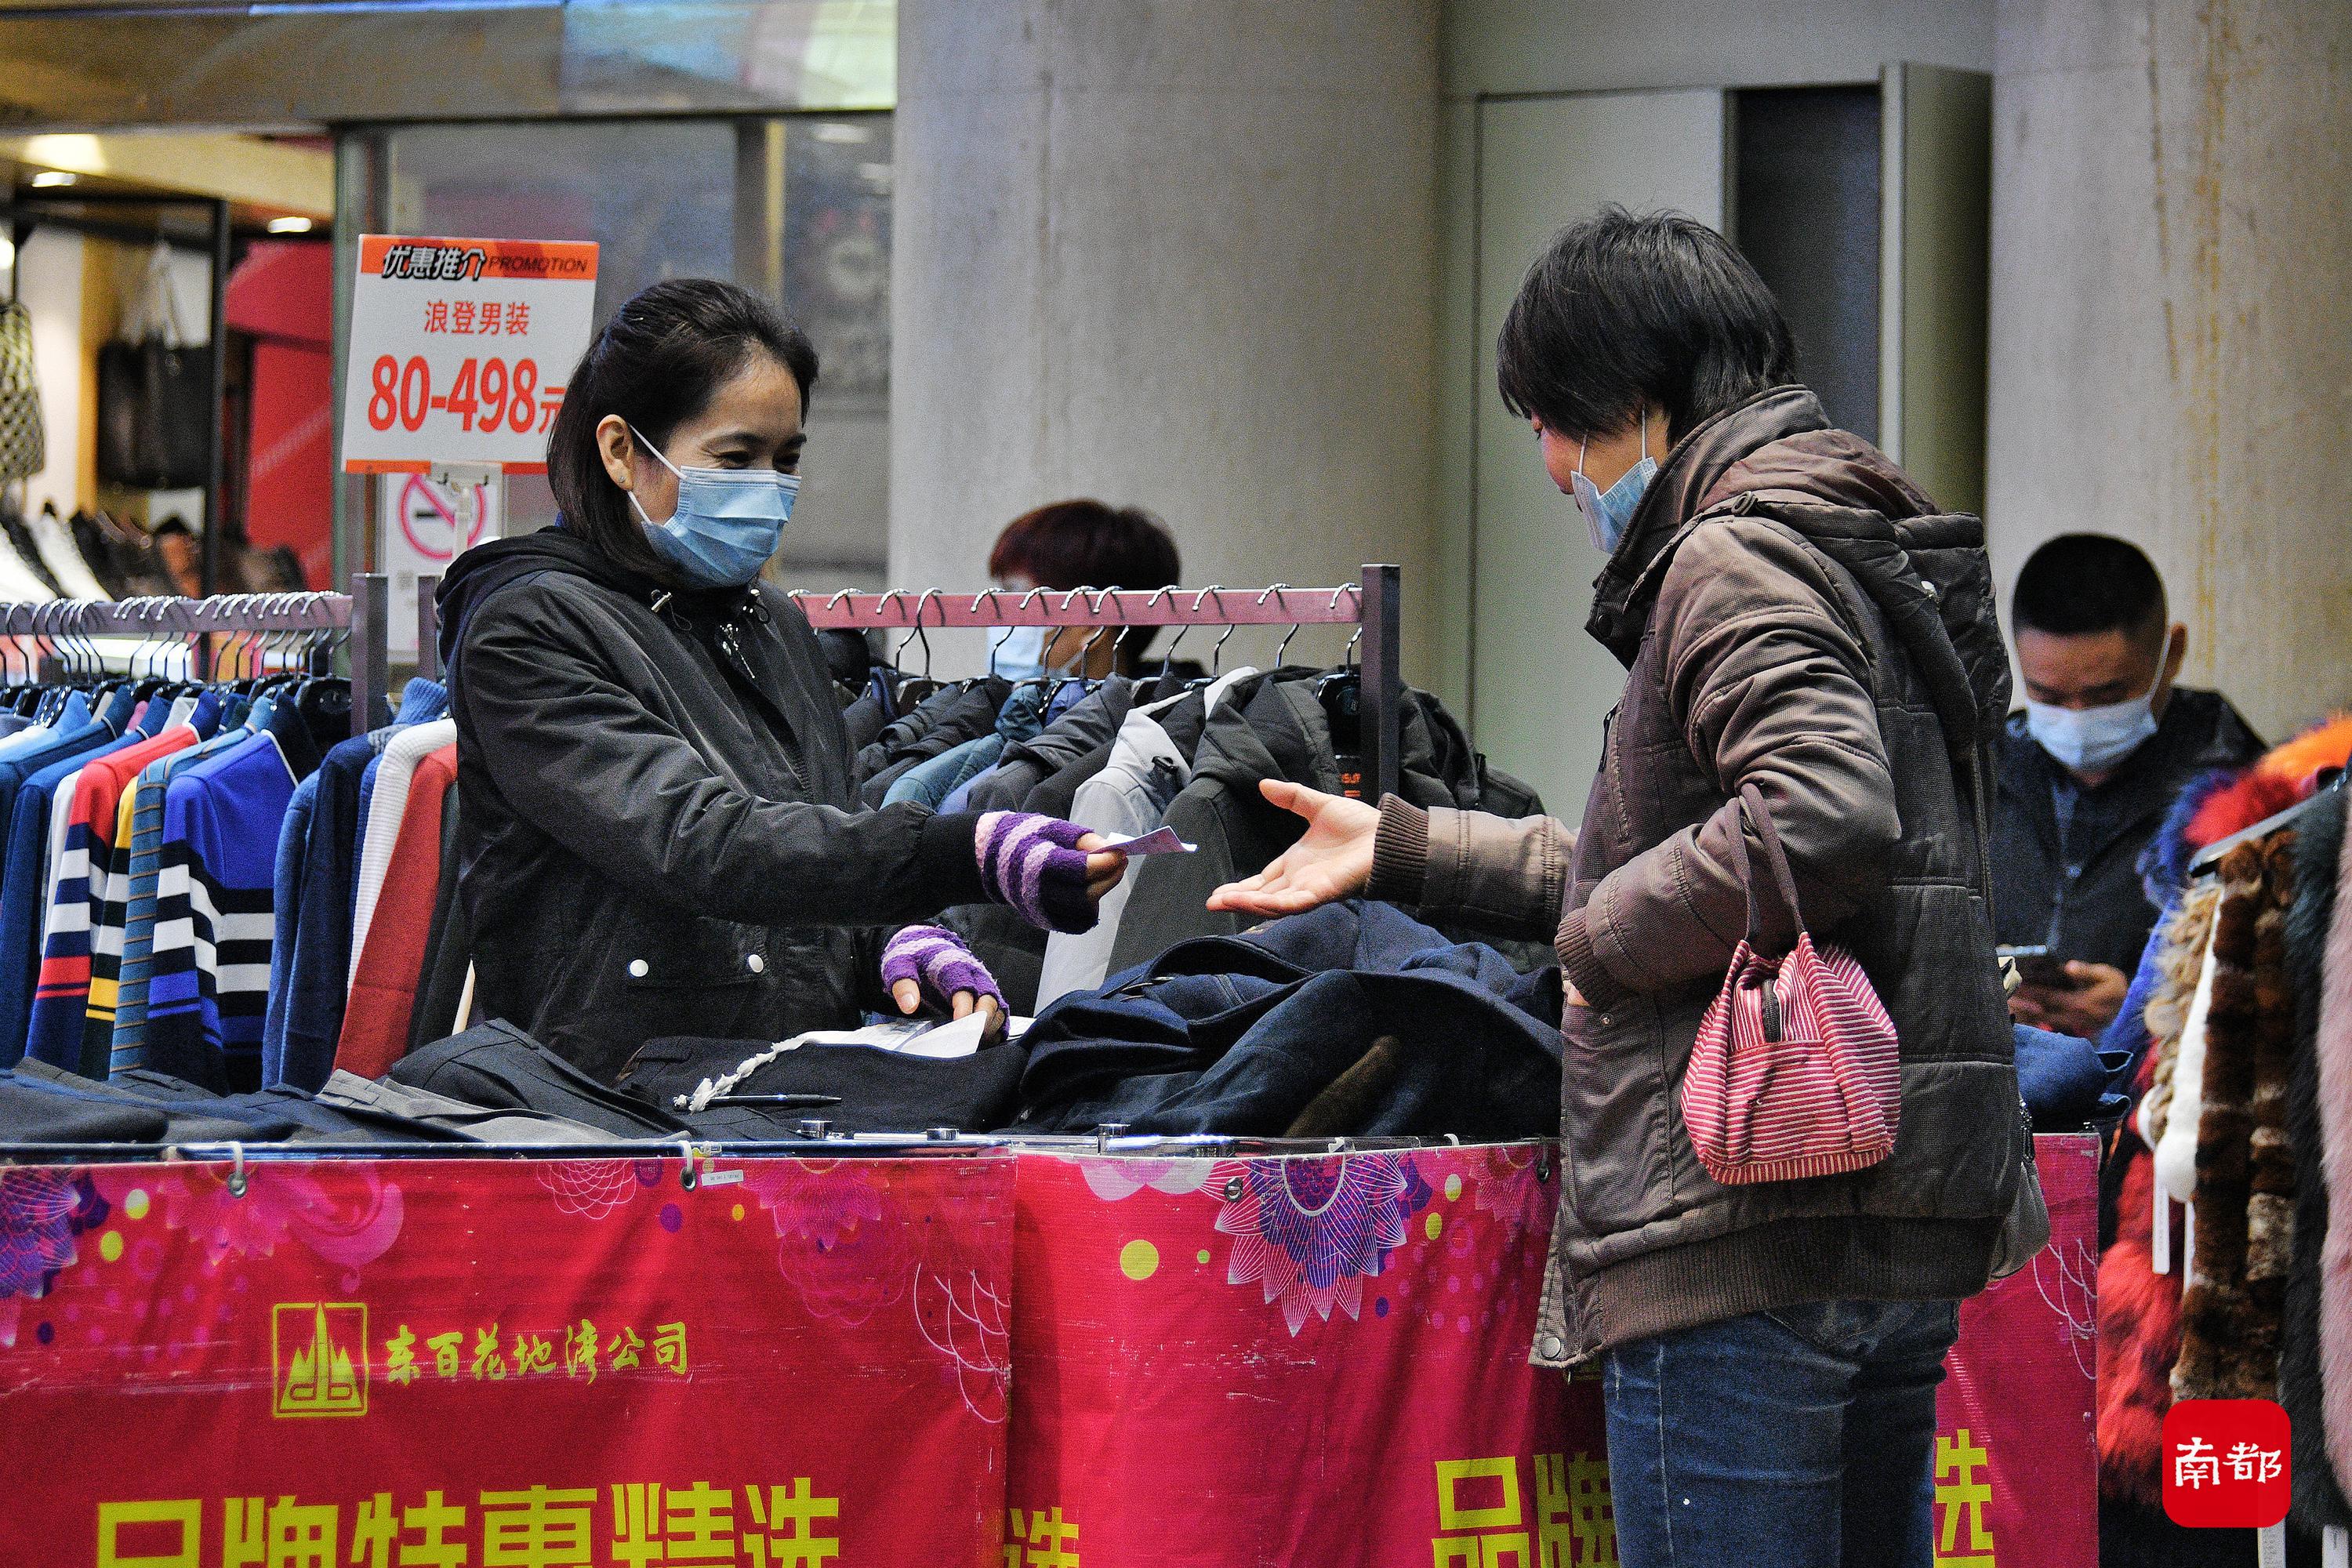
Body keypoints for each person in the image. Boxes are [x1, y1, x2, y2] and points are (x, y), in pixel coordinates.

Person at [1208, 208, 2040, 1568]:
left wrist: (1595, 943)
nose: (1548, 467)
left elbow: (1819, 821)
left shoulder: (1733, 557)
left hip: (1746, 1220)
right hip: (1890, 1204)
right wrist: (1411, 850)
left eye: (1550, 424)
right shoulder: (1852, 536)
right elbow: (1716, 847)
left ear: (1636, 406)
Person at [437, 279, 1124, 1080]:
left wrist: (895, 941)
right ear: (621, 449)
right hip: (609, 1111)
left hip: (786, 1100)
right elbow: (699, 839)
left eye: (786, 458)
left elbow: (817, 830)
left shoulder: (773, 624)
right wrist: (960, 850)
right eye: (735, 457)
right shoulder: (528, 630)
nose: (768, 486)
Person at [1992, 533, 2262, 1036]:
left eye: (2107, 695)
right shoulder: (1986, 771)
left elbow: (2280, 987)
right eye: (2046, 694)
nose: (2075, 721)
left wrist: (2148, 1009)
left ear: (2171, 654)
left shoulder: (2242, 794)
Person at [985, 499, 1181, 679]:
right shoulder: (1007, 709)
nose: (998, 618)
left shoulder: (1179, 716)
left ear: (1092, 623)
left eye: (1018, 598)